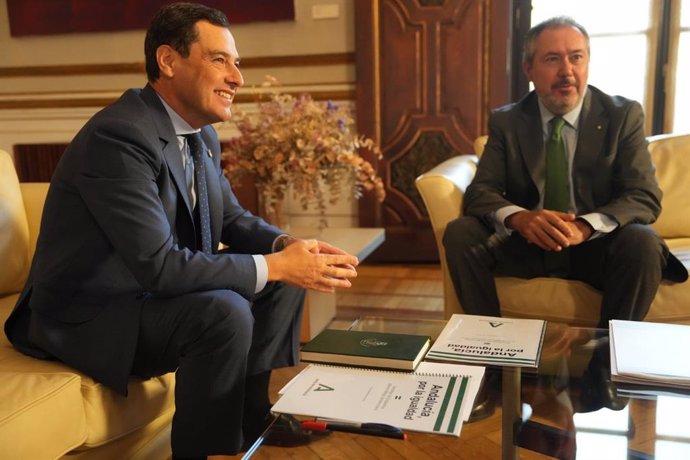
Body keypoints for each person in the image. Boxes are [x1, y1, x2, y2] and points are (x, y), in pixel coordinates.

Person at [4, 3, 359, 458]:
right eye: (219, 60)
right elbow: (161, 268)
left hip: (144, 296)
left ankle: (252, 417)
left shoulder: (200, 134)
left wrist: (287, 248)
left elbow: (230, 216)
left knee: (283, 283)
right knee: (226, 311)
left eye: (237, 63)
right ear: (168, 61)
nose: (237, 77)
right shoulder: (119, 137)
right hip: (90, 313)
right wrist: (272, 265)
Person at [443, 16, 687, 329]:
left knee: (643, 241)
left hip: (595, 248)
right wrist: (521, 218)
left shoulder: (622, 115)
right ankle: (492, 356)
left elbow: (644, 196)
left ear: (587, 63)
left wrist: (585, 226)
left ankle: (602, 368)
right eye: (552, 59)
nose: (566, 71)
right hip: (527, 245)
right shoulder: (508, 121)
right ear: (528, 69)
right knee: (461, 232)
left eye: (576, 57)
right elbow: (480, 193)